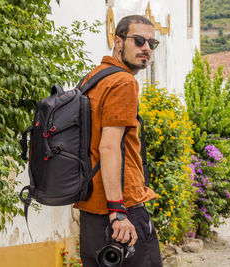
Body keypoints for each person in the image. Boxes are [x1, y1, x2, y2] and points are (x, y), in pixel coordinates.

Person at [73, 15, 163, 267]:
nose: (146, 48)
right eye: (139, 40)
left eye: (151, 44)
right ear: (119, 42)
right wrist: (118, 212)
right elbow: (109, 146)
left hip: (91, 209)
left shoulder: (94, 78)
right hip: (121, 209)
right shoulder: (123, 82)